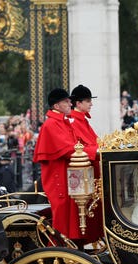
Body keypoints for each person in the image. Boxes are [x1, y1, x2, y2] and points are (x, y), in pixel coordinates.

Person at [33, 88, 97, 242]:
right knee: (62, 222)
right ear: (56, 106)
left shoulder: (62, 121)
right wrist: (96, 152)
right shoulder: (51, 124)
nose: (70, 104)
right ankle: (58, 252)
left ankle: (73, 247)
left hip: (67, 177)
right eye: (66, 102)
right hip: (59, 181)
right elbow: (70, 149)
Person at [69, 84, 103, 242]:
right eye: (88, 101)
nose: (91, 104)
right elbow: (79, 146)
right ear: (78, 103)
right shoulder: (74, 122)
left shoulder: (82, 121)